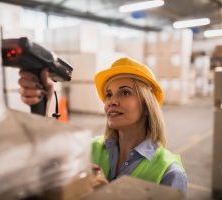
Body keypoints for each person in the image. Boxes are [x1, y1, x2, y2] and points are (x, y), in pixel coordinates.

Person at [18, 57, 187, 194]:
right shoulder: (90, 148)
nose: (112, 101)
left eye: (125, 92)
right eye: (108, 94)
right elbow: (45, 157)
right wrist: (43, 104)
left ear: (146, 106)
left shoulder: (169, 173)